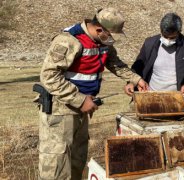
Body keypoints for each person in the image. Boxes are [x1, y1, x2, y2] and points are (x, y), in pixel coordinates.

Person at [37, 7, 148, 180]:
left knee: (77, 159)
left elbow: (115, 64)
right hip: (60, 111)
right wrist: (80, 100)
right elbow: (49, 76)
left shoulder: (103, 42)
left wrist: (136, 79)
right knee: (56, 165)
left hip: (82, 110)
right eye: (110, 35)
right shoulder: (68, 41)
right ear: (99, 29)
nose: (112, 40)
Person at [125, 12, 184, 109]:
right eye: (165, 36)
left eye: (172, 37)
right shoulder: (150, 43)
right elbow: (137, 66)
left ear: (179, 32)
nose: (168, 40)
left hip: (177, 100)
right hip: (149, 97)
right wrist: (131, 83)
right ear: (161, 31)